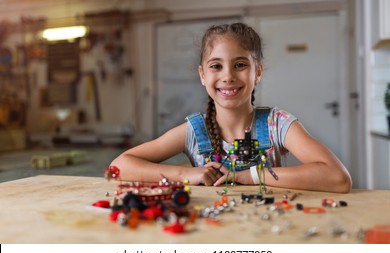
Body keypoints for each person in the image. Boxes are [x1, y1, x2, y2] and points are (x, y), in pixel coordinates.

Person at [110, 22, 352, 193]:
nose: (228, 76)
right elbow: (118, 166)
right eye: (216, 66)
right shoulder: (194, 131)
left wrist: (247, 176)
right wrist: (185, 175)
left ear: (257, 72)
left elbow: (338, 178)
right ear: (202, 75)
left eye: (239, 65)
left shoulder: (278, 124)